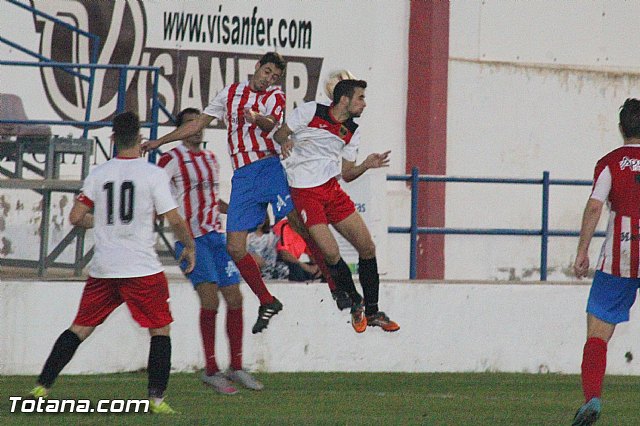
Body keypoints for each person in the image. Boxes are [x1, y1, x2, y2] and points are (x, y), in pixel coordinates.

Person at [142, 52, 345, 331]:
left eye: (275, 76)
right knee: (235, 247)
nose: (270, 79)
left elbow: (272, 125)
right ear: (257, 67)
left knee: (300, 223)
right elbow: (198, 123)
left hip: (269, 167)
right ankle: (267, 300)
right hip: (243, 177)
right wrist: (159, 141)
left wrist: (257, 117)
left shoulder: (276, 97)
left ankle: (335, 284)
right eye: (268, 72)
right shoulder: (231, 93)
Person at [28, 111, 196, 414]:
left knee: (80, 327)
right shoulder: (153, 174)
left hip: (105, 268)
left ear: (113, 138)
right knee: (160, 330)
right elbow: (174, 219)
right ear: (141, 137)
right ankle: (156, 400)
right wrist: (190, 247)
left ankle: (42, 386)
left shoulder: (98, 174)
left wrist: (104, 221)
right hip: (142, 268)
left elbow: (76, 217)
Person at [274, 79, 399, 333]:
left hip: (331, 190)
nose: (364, 103)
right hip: (305, 192)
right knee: (330, 253)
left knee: (367, 247)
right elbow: (279, 133)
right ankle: (355, 302)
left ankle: (373, 311)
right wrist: (285, 140)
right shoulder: (312, 111)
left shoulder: (352, 130)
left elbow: (348, 173)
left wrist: (365, 165)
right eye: (360, 98)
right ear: (344, 99)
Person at [158, 108, 263, 395]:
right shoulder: (170, 159)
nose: (197, 127)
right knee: (210, 298)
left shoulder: (210, 159)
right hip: (192, 241)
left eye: (199, 122)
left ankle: (237, 366)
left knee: (236, 297)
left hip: (216, 237)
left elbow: (209, 199)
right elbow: (157, 191)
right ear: (180, 128)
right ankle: (211, 369)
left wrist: (238, 211)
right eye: (190, 122)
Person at [572, 98, 640, 425]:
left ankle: (593, 399)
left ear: (621, 128)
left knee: (597, 333)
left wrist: (582, 250)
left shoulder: (611, 162)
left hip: (620, 257)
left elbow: (596, 206)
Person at [273, 218, 323, 282]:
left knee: (326, 269)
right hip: (279, 265)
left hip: (296, 263)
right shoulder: (284, 226)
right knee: (297, 269)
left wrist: (319, 266)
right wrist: (307, 268)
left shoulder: (305, 230)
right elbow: (284, 255)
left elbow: (311, 254)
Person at [247, 215, 291, 280]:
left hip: (269, 266)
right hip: (252, 266)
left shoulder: (272, 235)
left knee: (284, 269)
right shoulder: (246, 236)